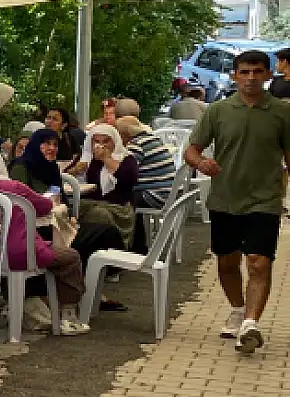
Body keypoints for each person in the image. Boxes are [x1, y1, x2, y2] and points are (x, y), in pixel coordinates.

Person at [184, 49, 290, 352]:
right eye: (244, 72)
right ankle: (238, 308)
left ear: (269, 75)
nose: (251, 78)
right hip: (225, 198)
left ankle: (250, 324)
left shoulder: (282, 112)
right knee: (227, 262)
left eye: (258, 71)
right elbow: (190, 150)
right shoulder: (218, 110)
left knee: (259, 263)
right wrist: (201, 163)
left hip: (265, 199)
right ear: (234, 76)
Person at [0, 152, 90, 335]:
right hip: (19, 253)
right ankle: (68, 315)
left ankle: (12, 306)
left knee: (11, 269)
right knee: (71, 257)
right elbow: (44, 206)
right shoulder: (13, 187)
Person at [75, 123, 139, 247]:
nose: (101, 145)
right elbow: (67, 175)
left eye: (106, 141)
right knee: (67, 211)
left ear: (114, 142)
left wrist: (106, 159)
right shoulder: (86, 157)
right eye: (97, 141)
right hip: (87, 203)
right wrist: (76, 170)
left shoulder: (126, 158)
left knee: (98, 214)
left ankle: (108, 250)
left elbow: (129, 179)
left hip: (117, 208)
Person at [117, 116, 176, 210]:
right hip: (169, 193)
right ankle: (138, 225)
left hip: (155, 196)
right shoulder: (153, 139)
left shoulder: (136, 144)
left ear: (124, 134)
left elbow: (125, 171)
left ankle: (129, 224)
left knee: (116, 199)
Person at [10, 128, 67, 197]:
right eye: (48, 143)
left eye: (55, 145)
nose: (52, 148)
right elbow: (19, 199)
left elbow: (61, 196)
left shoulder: (53, 167)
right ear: (36, 144)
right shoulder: (20, 166)